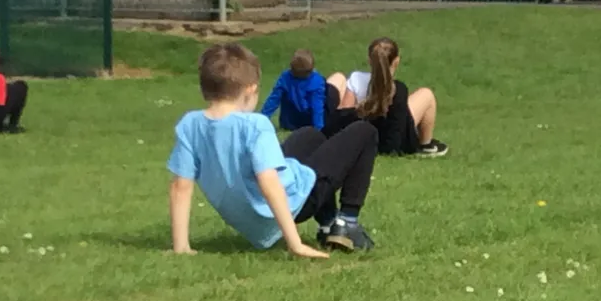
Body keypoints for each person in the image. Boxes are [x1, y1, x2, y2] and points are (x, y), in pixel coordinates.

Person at [168, 43, 380, 257]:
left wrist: (181, 246)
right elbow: (269, 182)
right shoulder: (254, 125)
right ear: (251, 89)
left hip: (249, 219)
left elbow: (180, 187)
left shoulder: (190, 125)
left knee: (309, 135)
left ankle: (328, 223)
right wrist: (295, 244)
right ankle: (347, 222)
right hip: (293, 204)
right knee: (364, 131)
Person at [323, 37, 448, 157]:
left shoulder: (356, 79)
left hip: (364, 132)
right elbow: (397, 126)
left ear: (369, 60)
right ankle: (425, 144)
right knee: (426, 94)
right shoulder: (397, 89)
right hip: (389, 138)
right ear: (396, 61)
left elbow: (344, 114)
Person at [260, 49, 331, 131]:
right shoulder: (316, 81)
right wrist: (318, 129)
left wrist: (262, 119)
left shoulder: (285, 78)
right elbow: (317, 108)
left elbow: (273, 101)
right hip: (308, 124)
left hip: (289, 123)